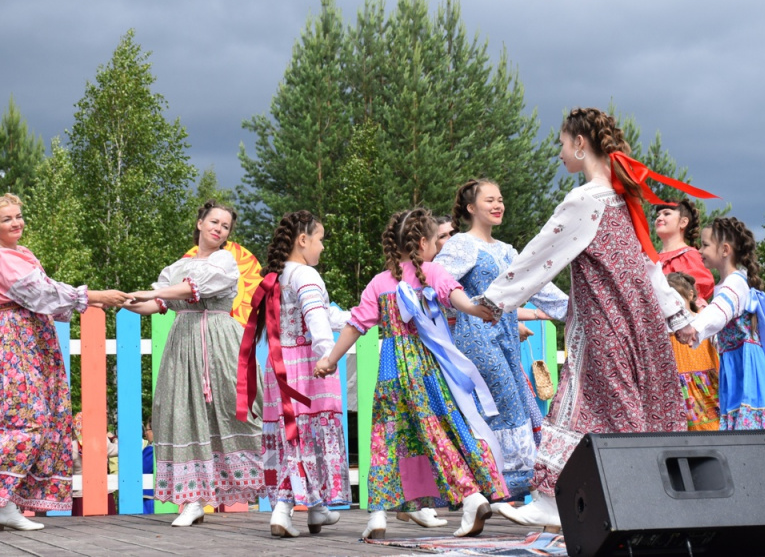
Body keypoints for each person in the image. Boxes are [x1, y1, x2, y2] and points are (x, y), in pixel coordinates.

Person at [477, 108, 714, 530]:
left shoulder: (585, 200)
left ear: (580, 144)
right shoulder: (626, 201)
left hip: (604, 325)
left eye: (562, 144)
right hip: (641, 328)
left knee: (584, 403)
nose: (560, 153)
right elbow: (650, 267)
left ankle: (563, 501)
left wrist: (493, 300)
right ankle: (647, 501)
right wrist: (679, 319)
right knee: (625, 410)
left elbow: (538, 255)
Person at [0, 193, 128, 532]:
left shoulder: (22, 253)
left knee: (37, 417)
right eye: (7, 218)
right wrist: (93, 296)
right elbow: (39, 293)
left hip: (31, 336)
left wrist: (90, 301)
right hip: (9, 338)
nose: (17, 222)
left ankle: (5, 506)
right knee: (24, 418)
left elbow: (47, 299)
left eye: (19, 216)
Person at [315, 208, 507, 539]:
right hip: (427, 371)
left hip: (391, 372)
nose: (439, 247)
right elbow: (455, 296)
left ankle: (377, 515)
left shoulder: (379, 282)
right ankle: (472, 496)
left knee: (385, 439)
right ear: (422, 242)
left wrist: (330, 359)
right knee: (441, 431)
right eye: (436, 241)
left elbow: (355, 324)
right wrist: (476, 309)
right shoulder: (432, 272)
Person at [434, 179, 568, 522]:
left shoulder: (508, 250)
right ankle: (499, 490)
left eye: (501, 200)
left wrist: (576, 311)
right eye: (490, 200)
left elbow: (539, 284)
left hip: (506, 339)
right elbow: (438, 286)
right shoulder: (462, 245)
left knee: (516, 407)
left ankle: (492, 491)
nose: (499, 205)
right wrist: (470, 307)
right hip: (477, 338)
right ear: (470, 208)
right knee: (504, 407)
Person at [126, 200, 264, 527]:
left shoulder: (225, 261)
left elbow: (191, 290)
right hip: (183, 344)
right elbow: (159, 302)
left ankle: (290, 483)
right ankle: (193, 499)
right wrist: (126, 301)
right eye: (213, 221)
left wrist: (148, 292)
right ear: (200, 222)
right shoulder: (176, 266)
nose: (218, 228)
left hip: (219, 342)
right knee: (184, 414)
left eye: (225, 226)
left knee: (241, 410)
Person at [676, 218, 765, 488]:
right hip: (736, 370)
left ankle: (764, 496)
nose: (701, 250)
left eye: (705, 245)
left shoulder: (734, 285)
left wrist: (696, 328)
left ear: (725, 250)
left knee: (753, 432)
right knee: (745, 434)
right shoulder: (729, 285)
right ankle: (757, 496)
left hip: (747, 374)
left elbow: (721, 313)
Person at [236, 210, 350, 538]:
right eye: (320, 240)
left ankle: (316, 510)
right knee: (308, 436)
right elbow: (316, 320)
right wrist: (327, 356)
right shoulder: (307, 276)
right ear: (303, 240)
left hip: (280, 370)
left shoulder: (276, 277)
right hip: (308, 371)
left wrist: (356, 318)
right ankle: (284, 510)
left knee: (292, 436)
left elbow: (323, 314)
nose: (322, 248)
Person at [656, 200, 721, 430]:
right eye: (657, 213)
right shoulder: (652, 260)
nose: (659, 217)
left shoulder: (690, 255)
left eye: (666, 213)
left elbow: (699, 293)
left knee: (697, 409)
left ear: (683, 222)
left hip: (686, 336)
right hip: (661, 339)